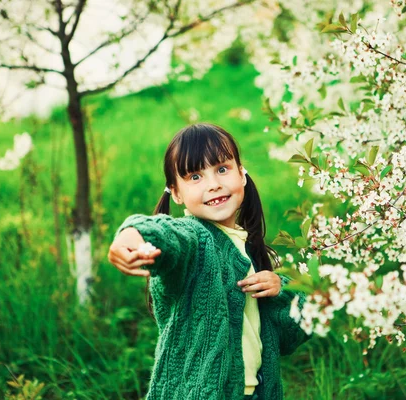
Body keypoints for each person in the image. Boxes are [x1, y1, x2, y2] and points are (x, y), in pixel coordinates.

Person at [107, 123, 310, 400]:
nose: (213, 184)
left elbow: (293, 335)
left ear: (242, 173)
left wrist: (280, 289)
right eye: (194, 177)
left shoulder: (251, 251)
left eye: (222, 169)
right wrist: (131, 235)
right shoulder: (195, 239)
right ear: (175, 193)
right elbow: (167, 233)